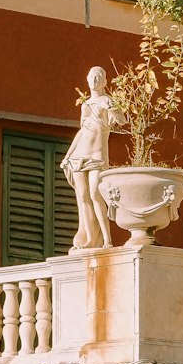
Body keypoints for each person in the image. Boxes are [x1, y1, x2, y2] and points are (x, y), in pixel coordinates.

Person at [62, 66, 123, 250]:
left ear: (105, 81)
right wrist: (67, 155)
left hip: (97, 153)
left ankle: (107, 240)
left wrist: (112, 108)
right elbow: (82, 131)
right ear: (87, 80)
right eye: (92, 77)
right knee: (83, 196)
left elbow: (122, 121)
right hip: (80, 153)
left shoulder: (108, 101)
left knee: (96, 194)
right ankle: (90, 238)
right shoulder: (86, 105)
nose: (95, 80)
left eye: (99, 77)